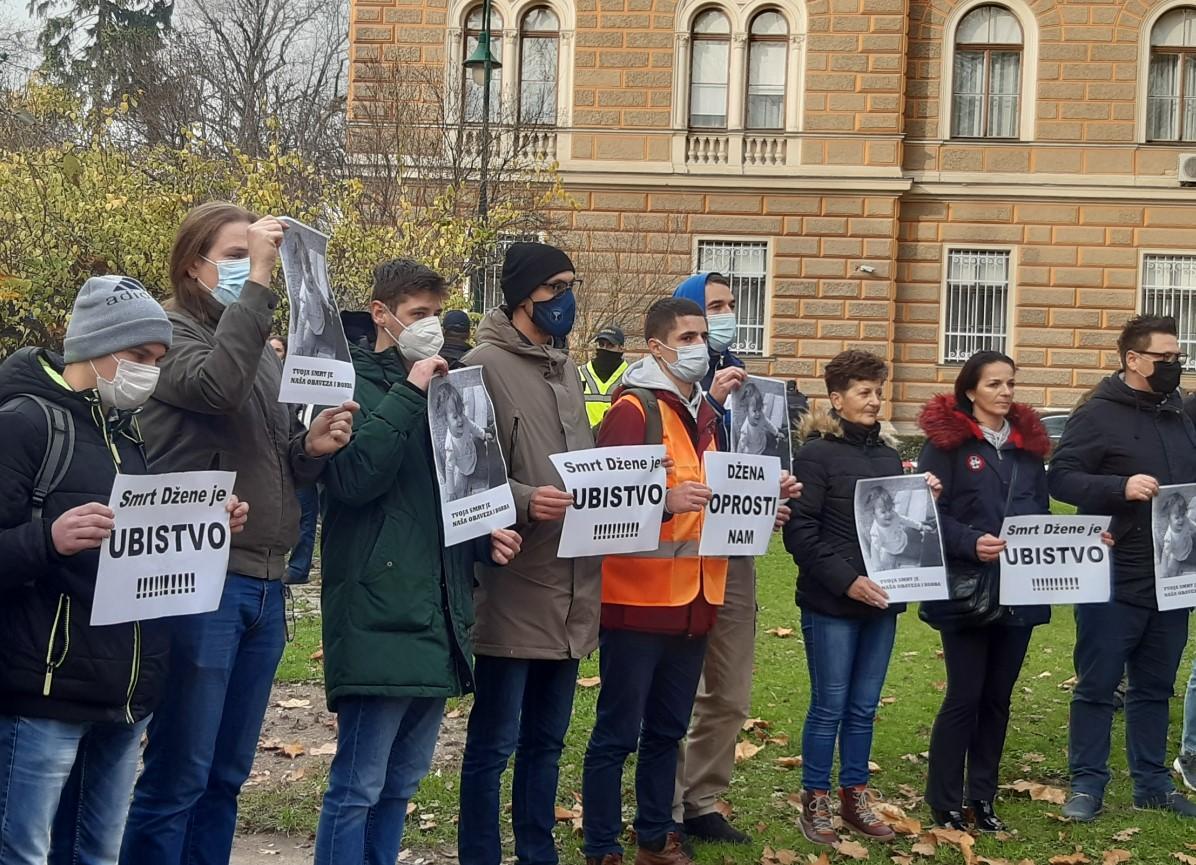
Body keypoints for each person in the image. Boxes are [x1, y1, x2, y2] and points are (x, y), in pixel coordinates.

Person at [120, 202, 358, 865]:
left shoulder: (257, 350)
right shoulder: (168, 332)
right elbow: (217, 388)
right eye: (233, 253)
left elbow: (279, 455)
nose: (251, 265)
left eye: (252, 254)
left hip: (263, 583)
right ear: (193, 265)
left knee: (225, 778)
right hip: (202, 581)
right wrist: (258, 275)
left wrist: (311, 447)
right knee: (179, 775)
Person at [0, 275, 248, 865]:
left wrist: (207, 525)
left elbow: (137, 546)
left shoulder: (124, 432)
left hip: (124, 694)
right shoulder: (24, 423)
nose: (150, 372)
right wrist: (48, 539)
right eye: (139, 356)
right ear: (97, 347)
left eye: (158, 359)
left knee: (97, 854)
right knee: (24, 852)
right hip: (44, 691)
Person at [313, 258, 522, 864]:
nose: (431, 326)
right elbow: (352, 479)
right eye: (417, 316)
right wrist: (410, 393)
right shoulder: (348, 380)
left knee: (400, 787)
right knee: (357, 787)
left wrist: (487, 535)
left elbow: (452, 495)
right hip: (378, 608)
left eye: (436, 313)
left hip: (437, 610)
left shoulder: (453, 389)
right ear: (381, 315)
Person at [457, 241, 600, 865]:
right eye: (556, 286)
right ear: (524, 296)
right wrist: (520, 499)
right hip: (514, 583)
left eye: (570, 283)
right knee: (493, 745)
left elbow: (586, 465)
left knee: (547, 742)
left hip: (572, 588)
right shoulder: (480, 364)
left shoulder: (567, 368)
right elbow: (461, 467)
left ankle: (537, 852)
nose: (566, 298)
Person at [582, 298, 727, 865]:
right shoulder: (634, 410)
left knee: (668, 730)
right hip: (636, 600)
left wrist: (762, 505)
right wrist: (665, 503)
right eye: (688, 336)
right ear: (657, 347)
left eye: (703, 336)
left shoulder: (704, 412)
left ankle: (654, 836)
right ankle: (600, 845)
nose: (700, 346)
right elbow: (600, 504)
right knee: (617, 733)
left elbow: (717, 497)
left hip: (694, 600)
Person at [783, 349, 941, 847]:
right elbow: (801, 534)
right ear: (837, 399)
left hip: (883, 601)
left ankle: (855, 793)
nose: (874, 401)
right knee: (829, 704)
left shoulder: (888, 455)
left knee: (864, 706)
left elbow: (897, 523)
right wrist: (847, 581)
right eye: (863, 393)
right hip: (832, 601)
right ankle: (815, 798)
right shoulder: (815, 455)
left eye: (878, 392)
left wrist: (923, 496)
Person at [1048, 314, 1196, 822]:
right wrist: (1118, 488)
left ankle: (1151, 783)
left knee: (1155, 687)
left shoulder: (1180, 414)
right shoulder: (1098, 414)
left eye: (1179, 358)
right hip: (1112, 574)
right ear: (1133, 360)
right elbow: (1061, 478)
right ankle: (1087, 784)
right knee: (1096, 685)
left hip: (1173, 577)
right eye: (1165, 358)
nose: (1174, 366)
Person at [915, 351, 1054, 832]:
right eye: (994, 384)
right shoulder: (947, 445)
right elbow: (932, 513)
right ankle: (945, 799)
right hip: (967, 587)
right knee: (965, 694)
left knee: (999, 697)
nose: (1005, 392)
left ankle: (983, 797)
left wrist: (1077, 544)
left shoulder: (1028, 447)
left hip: (1021, 584)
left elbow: (1040, 512)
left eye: (1010, 383)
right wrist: (970, 542)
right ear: (971, 390)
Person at [669, 271, 755, 844]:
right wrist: (714, 404)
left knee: (729, 688)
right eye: (713, 306)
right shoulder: (666, 384)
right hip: (676, 550)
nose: (721, 318)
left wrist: (775, 493)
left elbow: (762, 459)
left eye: (729, 305)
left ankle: (703, 798)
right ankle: (666, 804)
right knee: (675, 685)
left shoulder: (751, 383)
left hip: (736, 548)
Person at [434, 381, 496, 500]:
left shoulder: (465, 421)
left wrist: (483, 434)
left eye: (461, 413)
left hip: (473, 449)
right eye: (455, 417)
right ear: (445, 421)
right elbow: (449, 469)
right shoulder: (450, 446)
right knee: (490, 468)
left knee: (485, 438)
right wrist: (451, 492)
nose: (460, 420)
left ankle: (490, 434)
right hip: (470, 469)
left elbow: (473, 427)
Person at [579, 323, 629, 428]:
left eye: (610, 345)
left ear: (621, 348)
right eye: (601, 344)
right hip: (586, 440)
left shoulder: (630, 377)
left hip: (616, 440)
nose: (604, 349)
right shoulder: (579, 374)